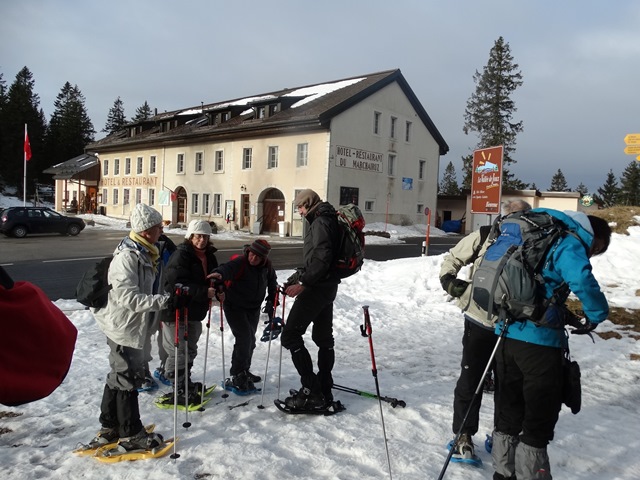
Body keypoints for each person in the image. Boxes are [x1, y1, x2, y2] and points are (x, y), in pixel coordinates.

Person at [491, 211, 611, 480]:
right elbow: (581, 280)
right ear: (594, 236)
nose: (592, 253)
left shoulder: (528, 235)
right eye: (596, 248)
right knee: (538, 418)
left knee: (508, 411)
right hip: (539, 344)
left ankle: (502, 473)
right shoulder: (568, 242)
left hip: (505, 334)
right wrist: (597, 314)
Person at [439, 200, 532, 460]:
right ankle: (503, 437)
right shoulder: (536, 240)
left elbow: (453, 257)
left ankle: (463, 437)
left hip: (479, 317)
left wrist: (450, 283)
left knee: (471, 379)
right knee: (509, 383)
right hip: (515, 325)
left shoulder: (486, 235)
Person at [87, 203, 172, 452]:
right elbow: (130, 299)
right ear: (145, 230)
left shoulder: (142, 251)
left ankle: (110, 426)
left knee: (118, 374)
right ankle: (130, 433)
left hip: (129, 323)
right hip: (121, 325)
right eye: (158, 227)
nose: (161, 231)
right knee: (126, 377)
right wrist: (166, 301)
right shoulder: (128, 256)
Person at [280, 189, 342, 410]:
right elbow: (317, 258)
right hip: (327, 287)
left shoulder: (320, 222)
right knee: (323, 338)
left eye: (299, 207)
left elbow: (322, 257)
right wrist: (297, 277)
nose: (298, 211)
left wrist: (304, 283)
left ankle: (312, 390)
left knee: (290, 336)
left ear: (307, 205)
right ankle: (325, 387)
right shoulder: (327, 217)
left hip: (316, 288)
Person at [158, 220, 219, 405]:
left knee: (190, 349)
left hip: (194, 310)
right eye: (198, 236)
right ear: (190, 237)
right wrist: (202, 292)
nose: (201, 240)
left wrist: (219, 288)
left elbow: (212, 277)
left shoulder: (209, 255)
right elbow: (175, 283)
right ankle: (178, 388)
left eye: (205, 236)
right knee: (178, 352)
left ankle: (186, 383)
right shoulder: (181, 255)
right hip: (176, 309)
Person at [208, 239, 278, 392]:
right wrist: (218, 274)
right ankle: (236, 375)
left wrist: (272, 300)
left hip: (253, 308)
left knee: (250, 340)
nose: (253, 258)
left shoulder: (267, 267)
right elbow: (226, 269)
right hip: (234, 307)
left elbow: (272, 283)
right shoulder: (241, 262)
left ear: (263, 258)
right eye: (252, 254)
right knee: (244, 338)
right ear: (249, 252)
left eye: (258, 257)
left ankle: (244, 371)